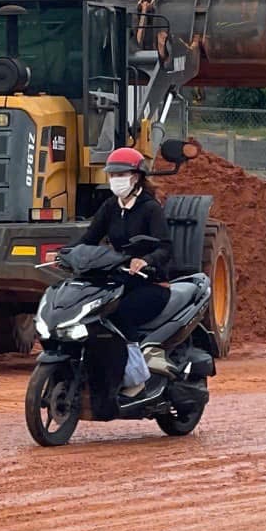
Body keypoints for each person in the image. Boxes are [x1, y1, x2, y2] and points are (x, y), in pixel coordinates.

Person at [68, 147, 173, 405]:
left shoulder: (150, 208)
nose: (115, 179)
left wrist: (146, 260)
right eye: (112, 174)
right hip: (121, 280)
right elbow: (89, 239)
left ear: (136, 176)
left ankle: (136, 379)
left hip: (152, 283)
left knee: (120, 313)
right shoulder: (110, 207)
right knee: (92, 310)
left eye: (121, 173)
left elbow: (165, 247)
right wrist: (66, 254)